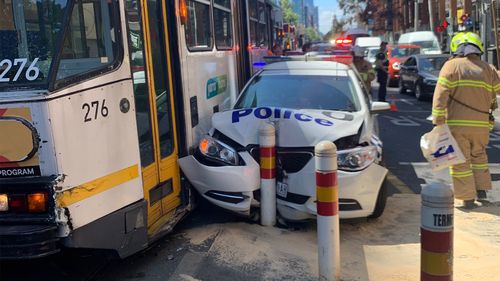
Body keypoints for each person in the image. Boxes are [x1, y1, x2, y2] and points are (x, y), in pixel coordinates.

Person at [431, 32, 499, 209]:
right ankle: (482, 190)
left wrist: (438, 119)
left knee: (460, 161)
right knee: (479, 157)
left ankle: (468, 199)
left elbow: (440, 94)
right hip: (482, 125)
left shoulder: (451, 66)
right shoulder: (487, 68)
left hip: (458, 124)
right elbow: (495, 93)